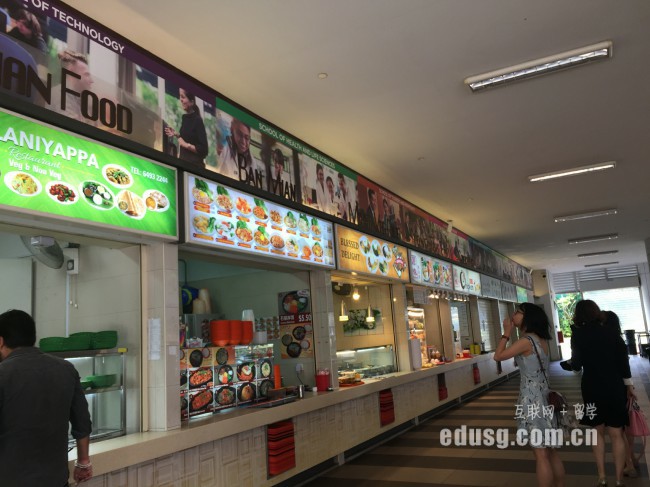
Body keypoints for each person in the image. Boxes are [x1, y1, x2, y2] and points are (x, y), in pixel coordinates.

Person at [0, 309, 93, 486]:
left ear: (1, 341)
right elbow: (82, 423)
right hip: (55, 480)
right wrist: (83, 462)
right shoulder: (66, 369)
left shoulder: (3, 374)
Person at [493, 302, 565, 487]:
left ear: (527, 318)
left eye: (518, 312)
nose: (514, 315)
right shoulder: (541, 339)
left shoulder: (526, 341)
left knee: (540, 453)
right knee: (551, 451)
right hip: (546, 396)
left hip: (531, 399)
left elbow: (498, 356)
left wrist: (506, 332)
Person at [569, 301, 635, 487]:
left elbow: (577, 365)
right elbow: (623, 362)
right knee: (616, 433)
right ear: (596, 312)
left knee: (596, 431)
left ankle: (602, 477)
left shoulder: (578, 334)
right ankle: (619, 479)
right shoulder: (612, 332)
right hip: (614, 387)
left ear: (578, 315)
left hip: (591, 388)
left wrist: (571, 364)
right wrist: (629, 385)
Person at [164, 88, 208, 168]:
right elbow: (187, 138)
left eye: (183, 97)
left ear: (192, 102)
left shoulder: (197, 120)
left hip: (194, 167)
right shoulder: (185, 118)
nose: (181, 100)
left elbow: (204, 150)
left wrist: (186, 145)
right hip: (183, 164)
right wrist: (177, 135)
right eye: (180, 97)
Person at [50, 50, 95, 121]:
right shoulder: (58, 94)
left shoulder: (79, 100)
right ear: (72, 73)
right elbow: (72, 124)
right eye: (86, 74)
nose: (92, 81)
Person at [217, 118, 266, 182]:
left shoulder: (252, 161)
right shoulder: (225, 149)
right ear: (232, 131)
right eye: (239, 135)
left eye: (247, 138)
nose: (243, 142)